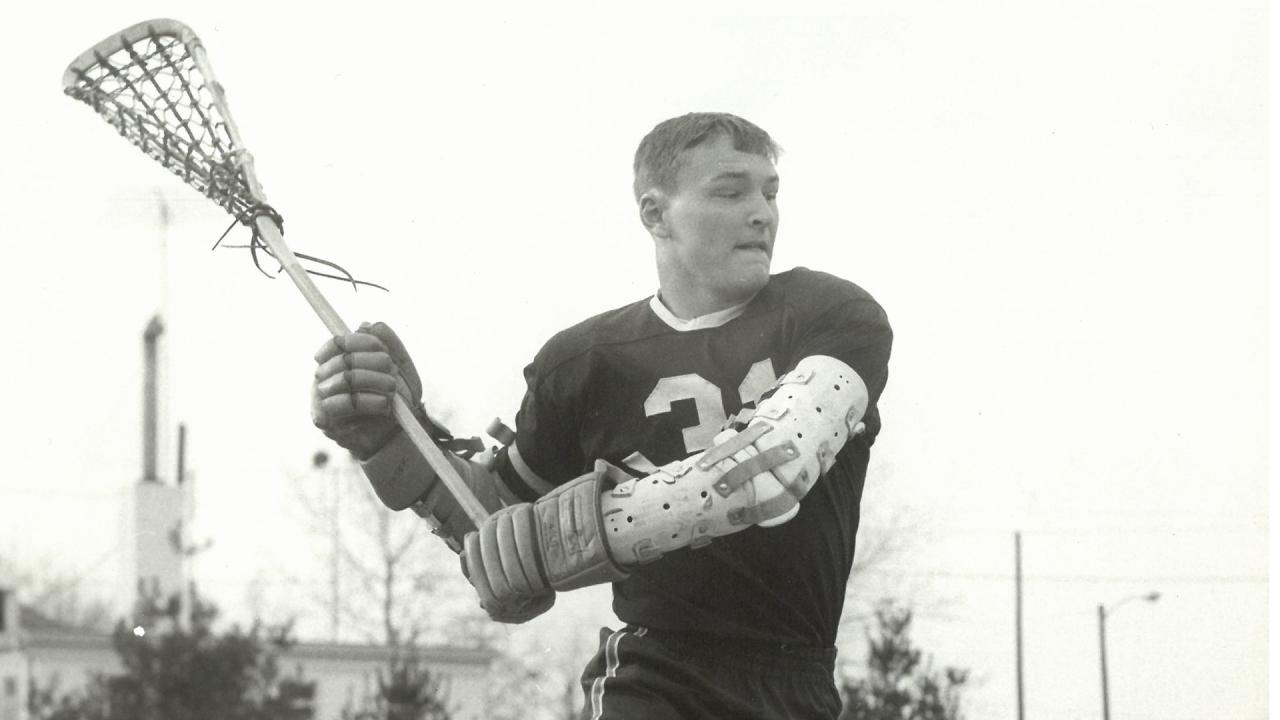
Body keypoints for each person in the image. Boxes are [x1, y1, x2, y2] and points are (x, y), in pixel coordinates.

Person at [311, 112, 893, 719]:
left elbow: (770, 467)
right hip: (654, 679)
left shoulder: (831, 313)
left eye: (769, 193)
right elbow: (493, 529)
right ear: (655, 214)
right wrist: (392, 440)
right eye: (731, 191)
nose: (762, 213)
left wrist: (566, 543)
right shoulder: (583, 362)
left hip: (798, 683)